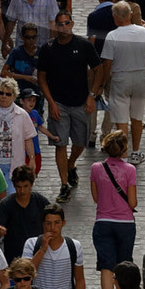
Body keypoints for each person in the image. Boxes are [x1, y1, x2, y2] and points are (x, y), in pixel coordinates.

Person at [38, 14, 97, 198]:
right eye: (60, 24)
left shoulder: (83, 45)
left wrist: (92, 95)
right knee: (60, 143)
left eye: (66, 23)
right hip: (59, 104)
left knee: (80, 142)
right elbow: (41, 78)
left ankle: (71, 164)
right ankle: (64, 183)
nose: (63, 27)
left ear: (72, 24)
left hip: (80, 102)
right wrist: (51, 103)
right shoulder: (47, 49)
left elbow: (98, 69)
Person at [97, 6, 145, 153]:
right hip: (140, 77)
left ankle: (123, 154)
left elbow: (107, 64)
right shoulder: (143, 32)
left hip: (120, 78)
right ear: (130, 15)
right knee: (137, 118)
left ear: (115, 17)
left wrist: (102, 84)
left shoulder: (112, 36)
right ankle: (135, 152)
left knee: (121, 121)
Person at [89, 127, 140, 289]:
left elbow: (96, 198)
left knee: (106, 265)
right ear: (124, 149)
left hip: (103, 221)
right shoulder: (130, 170)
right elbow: (132, 203)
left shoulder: (96, 168)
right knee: (124, 264)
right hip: (125, 223)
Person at [22, 202, 86, 289]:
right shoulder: (31, 244)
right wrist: (42, 249)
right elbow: (26, 273)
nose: (52, 228)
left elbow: (80, 279)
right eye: (48, 223)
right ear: (43, 225)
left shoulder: (74, 246)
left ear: (63, 223)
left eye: (57, 223)